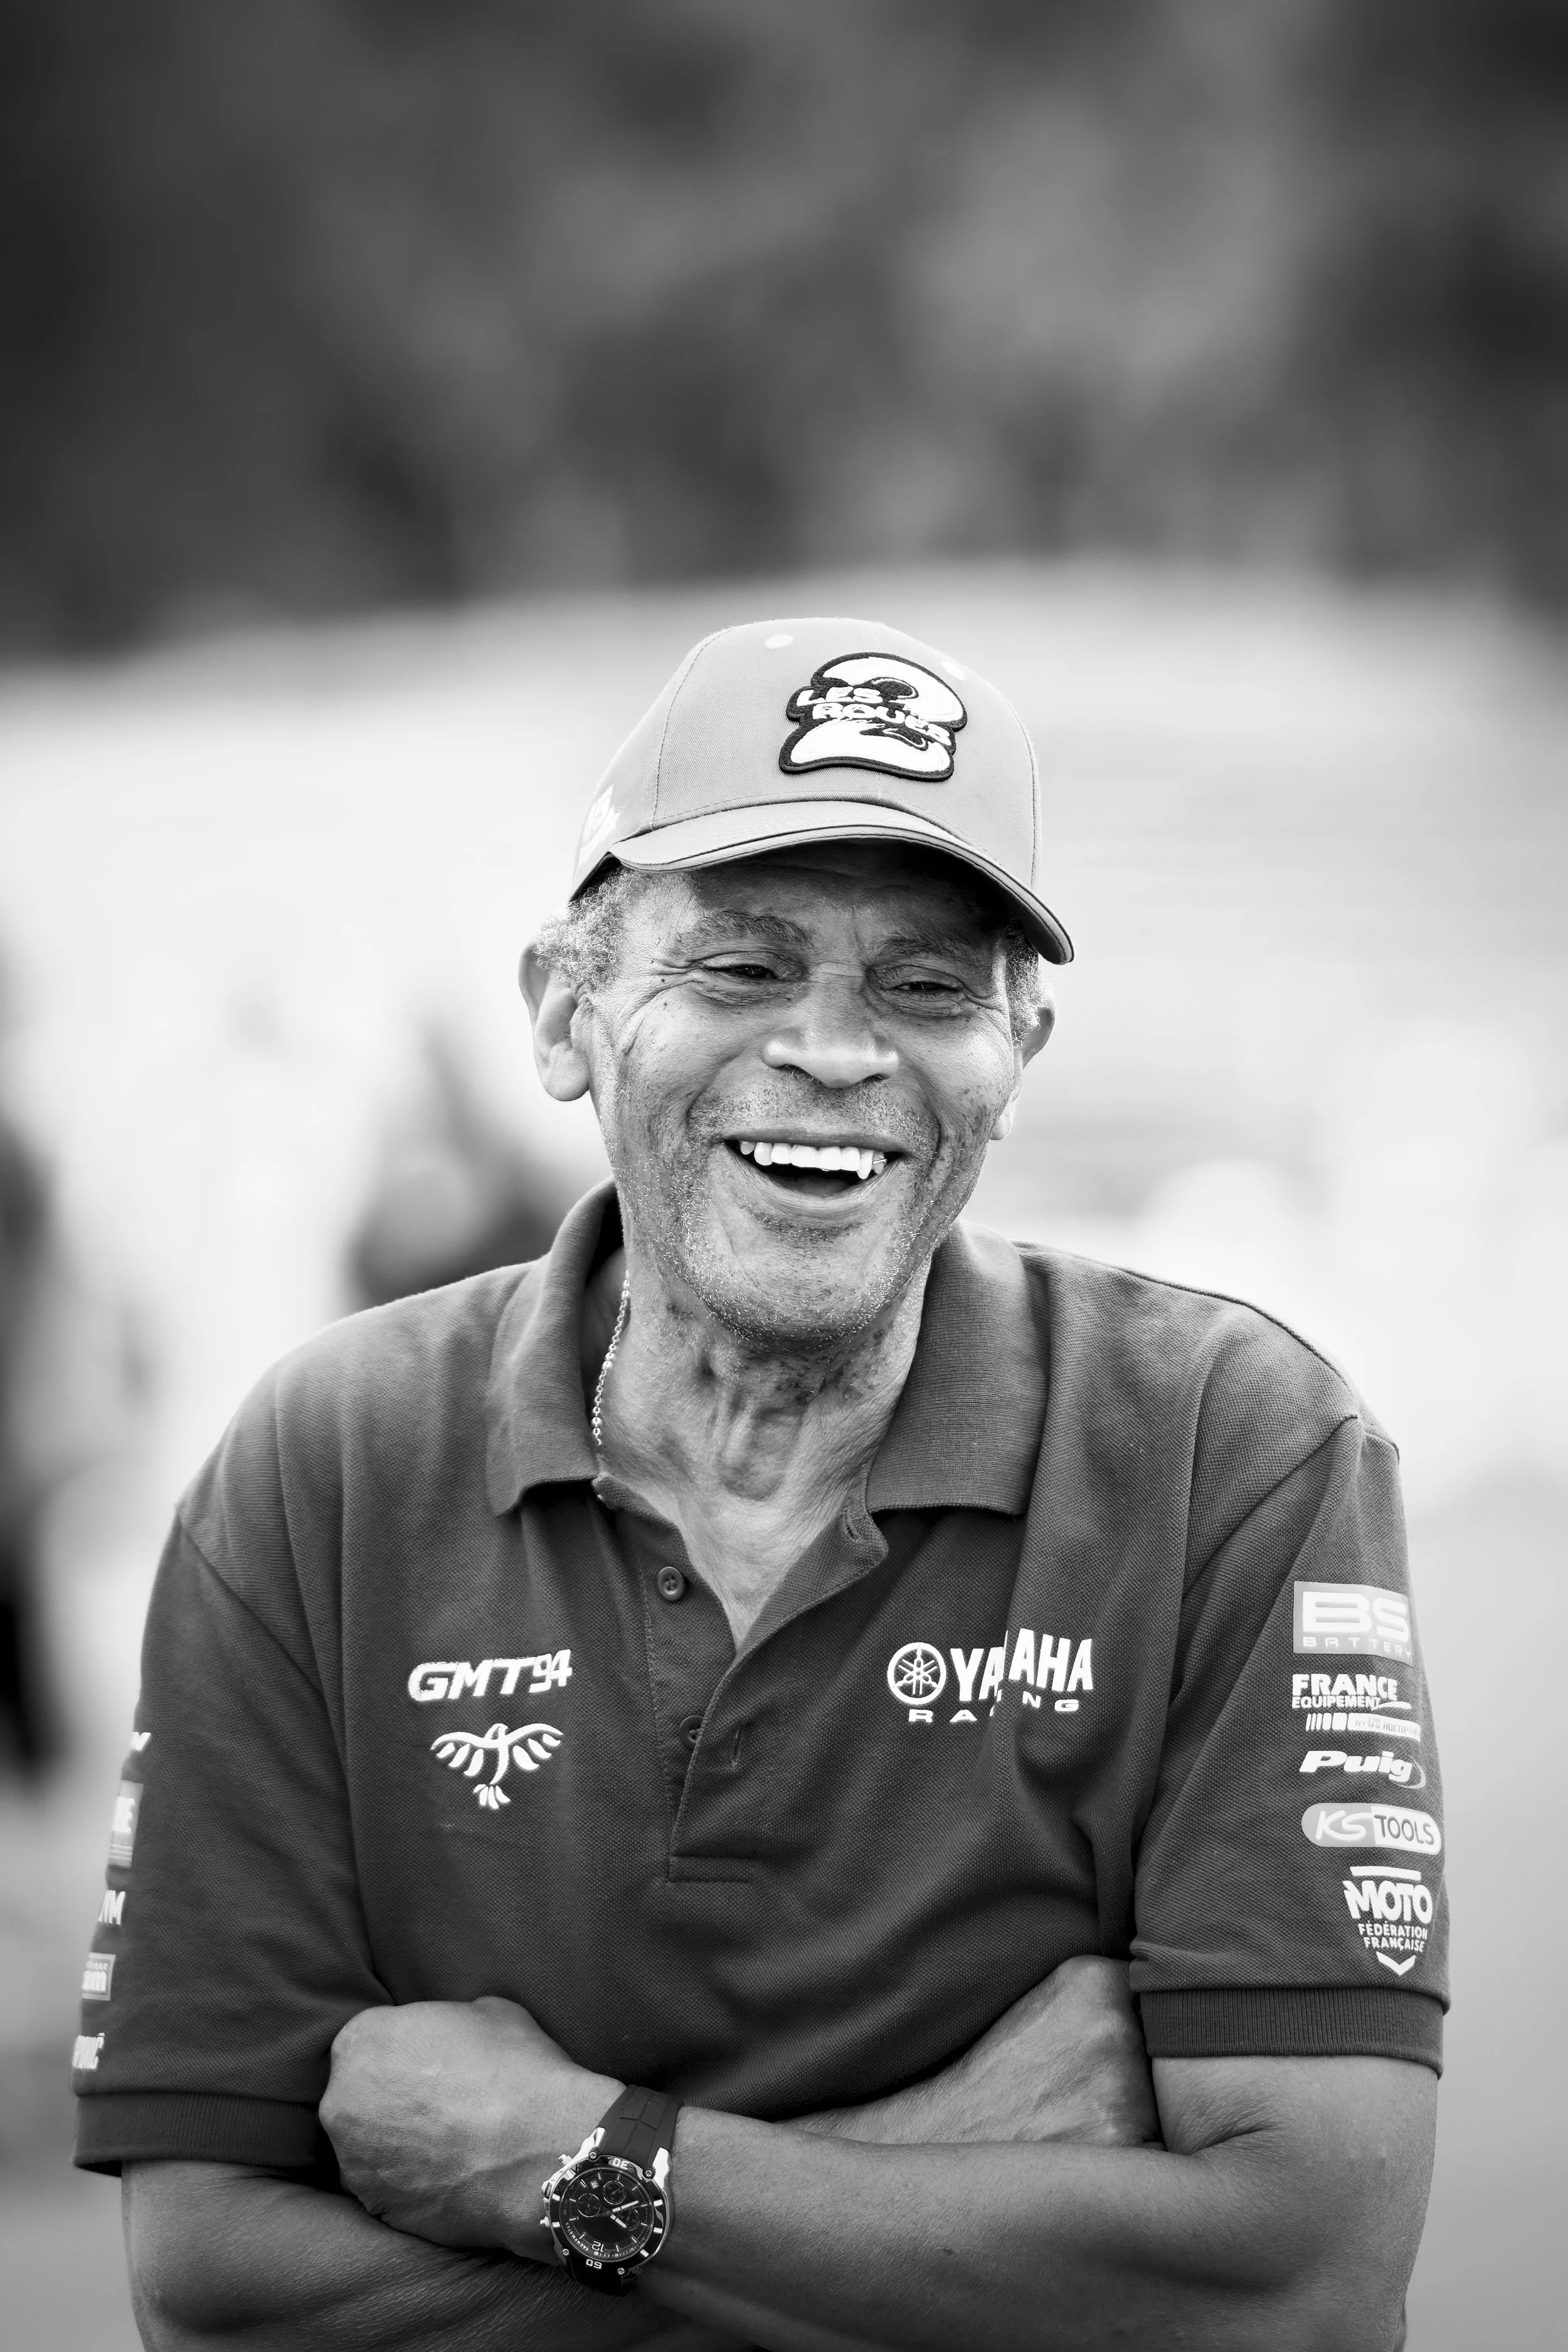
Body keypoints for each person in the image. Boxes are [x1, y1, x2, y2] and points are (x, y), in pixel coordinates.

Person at [75, 618, 1444, 2352]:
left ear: (1016, 1046)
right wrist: (931, 2168)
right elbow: (218, 2294)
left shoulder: (1234, 1448)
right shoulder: (324, 1464)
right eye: (735, 967)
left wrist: (555, 2157)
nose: (833, 1048)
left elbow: (1299, 2285)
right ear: (567, 1015)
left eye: (926, 986)